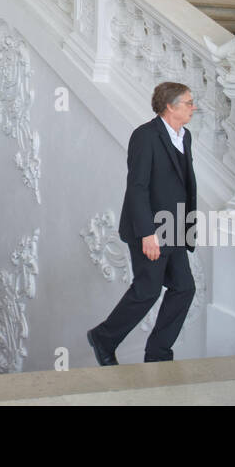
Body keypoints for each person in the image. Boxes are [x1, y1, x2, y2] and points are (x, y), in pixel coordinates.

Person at [88, 82, 198, 365]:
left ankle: (159, 353)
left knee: (184, 288)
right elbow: (137, 187)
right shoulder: (145, 136)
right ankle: (104, 337)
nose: (193, 107)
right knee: (148, 290)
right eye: (188, 102)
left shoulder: (184, 136)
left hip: (174, 227)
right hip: (150, 230)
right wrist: (148, 234)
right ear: (170, 106)